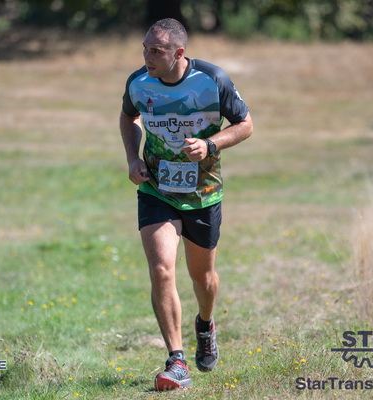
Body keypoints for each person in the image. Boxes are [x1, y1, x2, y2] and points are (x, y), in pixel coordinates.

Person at [119, 18, 253, 391]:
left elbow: (245, 125)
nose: (147, 56)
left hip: (203, 193)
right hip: (156, 189)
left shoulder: (212, 80)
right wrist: (132, 158)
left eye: (156, 51)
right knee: (161, 269)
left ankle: (205, 324)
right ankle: (176, 360)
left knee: (203, 278)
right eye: (145, 49)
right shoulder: (138, 82)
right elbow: (129, 116)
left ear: (179, 52)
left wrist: (210, 144)